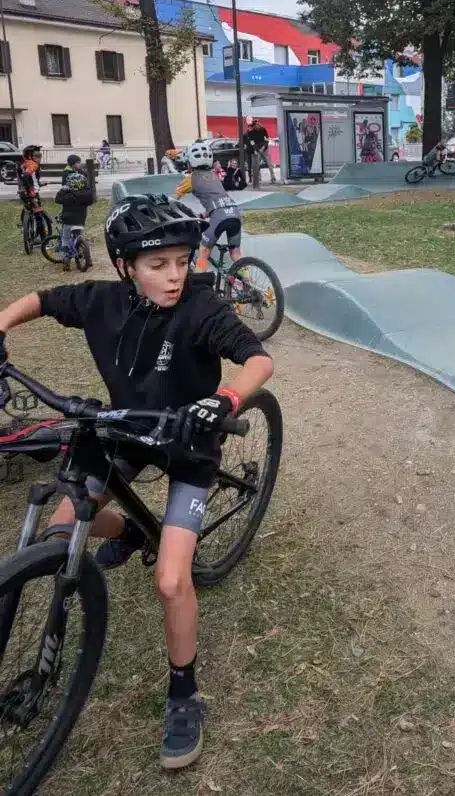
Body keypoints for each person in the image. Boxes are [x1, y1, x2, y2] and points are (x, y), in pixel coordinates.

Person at [0, 194, 273, 770]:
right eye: (157, 265)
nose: (174, 276)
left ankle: (184, 695)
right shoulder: (100, 300)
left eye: (182, 261)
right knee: (61, 525)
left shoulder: (201, 309)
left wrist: (223, 398)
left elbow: (258, 361)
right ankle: (135, 529)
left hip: (189, 441)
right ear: (125, 266)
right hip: (125, 432)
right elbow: (43, 300)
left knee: (173, 581)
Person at [175, 139, 242, 272]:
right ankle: (249, 286)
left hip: (219, 217)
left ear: (190, 163)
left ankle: (201, 284)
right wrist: (204, 214)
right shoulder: (213, 175)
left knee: (204, 251)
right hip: (234, 212)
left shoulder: (191, 178)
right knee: (236, 254)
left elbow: (173, 200)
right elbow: (216, 199)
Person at [54, 155, 95, 270]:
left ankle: (66, 258)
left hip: (67, 220)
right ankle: (89, 258)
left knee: (65, 239)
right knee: (81, 236)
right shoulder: (86, 194)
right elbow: (90, 200)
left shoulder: (66, 194)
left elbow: (57, 199)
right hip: (80, 220)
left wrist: (63, 190)